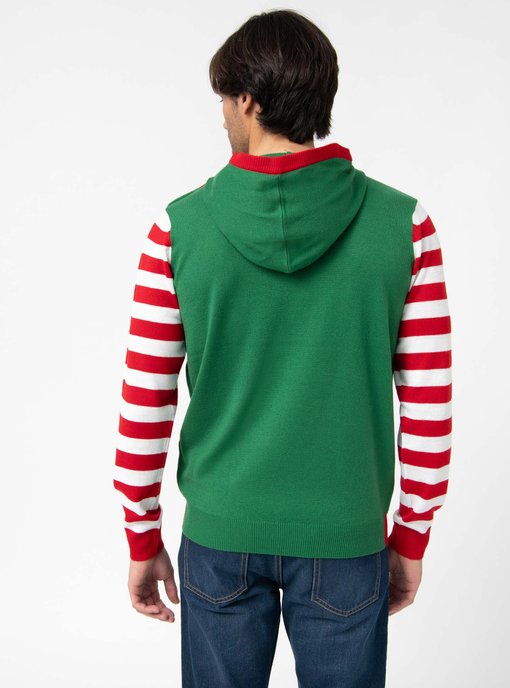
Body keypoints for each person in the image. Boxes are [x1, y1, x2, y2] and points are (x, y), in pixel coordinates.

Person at [113, 8, 452, 687]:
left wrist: (141, 533)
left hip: (221, 535)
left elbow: (145, 402)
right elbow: (428, 406)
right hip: (346, 539)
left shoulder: (176, 230)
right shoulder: (405, 225)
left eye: (224, 100)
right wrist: (411, 534)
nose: (221, 117)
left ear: (248, 100)